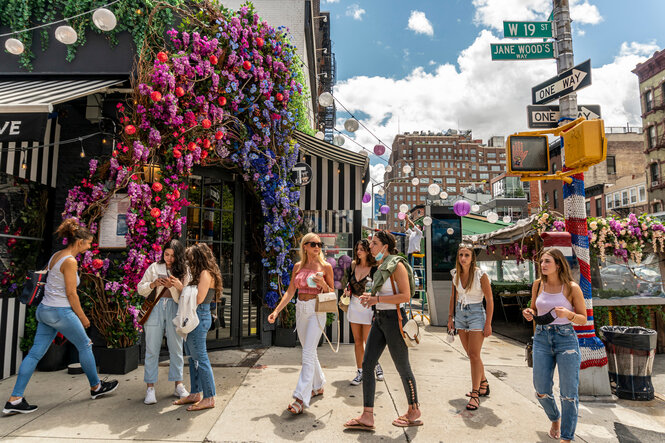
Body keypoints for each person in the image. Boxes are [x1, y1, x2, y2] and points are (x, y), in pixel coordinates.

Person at [3, 218, 118, 415]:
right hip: (60, 311)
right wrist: (82, 318)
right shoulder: (70, 261)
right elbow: (71, 294)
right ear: (79, 242)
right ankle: (96, 387)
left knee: (34, 354)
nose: (90, 246)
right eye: (89, 243)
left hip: (45, 311)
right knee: (85, 345)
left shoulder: (56, 255)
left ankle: (15, 399)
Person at [344, 230, 421, 431]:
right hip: (378, 318)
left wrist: (376, 299)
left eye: (374, 243)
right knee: (367, 364)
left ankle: (414, 411)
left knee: (402, 367)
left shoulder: (397, 265)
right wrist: (370, 297)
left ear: (385, 246)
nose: (371, 247)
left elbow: (405, 296)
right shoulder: (381, 266)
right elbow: (385, 292)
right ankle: (367, 415)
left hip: (394, 320)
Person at [522, 248, 587, 443]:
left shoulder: (571, 287)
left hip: (566, 339)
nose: (543, 265)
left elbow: (583, 319)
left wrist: (568, 315)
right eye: (541, 261)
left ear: (558, 264)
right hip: (541, 338)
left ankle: (566, 438)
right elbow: (534, 308)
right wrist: (528, 312)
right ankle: (554, 418)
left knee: (568, 394)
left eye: (547, 261)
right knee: (541, 389)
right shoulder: (537, 285)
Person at [268, 232, 334, 415]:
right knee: (308, 350)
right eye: (313, 244)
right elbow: (290, 292)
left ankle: (300, 398)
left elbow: (331, 293)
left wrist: (323, 284)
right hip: (301, 309)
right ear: (304, 246)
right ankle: (319, 385)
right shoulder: (298, 266)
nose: (317, 247)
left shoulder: (326, 266)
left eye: (319, 244)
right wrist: (276, 311)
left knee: (307, 353)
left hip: (317, 310)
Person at [136, 239, 189, 404]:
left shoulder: (184, 270)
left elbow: (188, 294)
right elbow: (140, 288)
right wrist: (153, 284)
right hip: (155, 308)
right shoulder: (154, 267)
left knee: (176, 347)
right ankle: (150, 388)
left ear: (178, 256)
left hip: (175, 308)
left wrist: (175, 285)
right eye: (166, 254)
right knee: (152, 348)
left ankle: (178, 384)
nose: (169, 258)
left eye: (173, 256)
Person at [173, 243, 222, 411]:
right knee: (193, 358)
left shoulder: (205, 273)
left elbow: (199, 299)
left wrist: (181, 288)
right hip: (196, 317)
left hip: (199, 316)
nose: (188, 261)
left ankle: (209, 397)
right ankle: (195, 393)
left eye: (191, 258)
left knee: (200, 358)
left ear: (198, 258)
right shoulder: (201, 273)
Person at [447, 243, 494, 411]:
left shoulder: (481, 275)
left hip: (476, 314)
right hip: (460, 313)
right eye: (461, 255)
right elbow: (453, 296)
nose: (463, 258)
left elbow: (489, 300)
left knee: (474, 355)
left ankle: (475, 395)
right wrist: (450, 318)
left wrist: (488, 323)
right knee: (470, 354)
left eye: (467, 255)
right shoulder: (455, 274)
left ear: (472, 257)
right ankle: (483, 383)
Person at [343, 239, 382, 386]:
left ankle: (375, 364)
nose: (359, 251)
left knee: (368, 342)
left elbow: (378, 288)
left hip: (367, 308)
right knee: (357, 341)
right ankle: (360, 371)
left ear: (368, 251)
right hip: (354, 305)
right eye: (357, 249)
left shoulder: (375, 268)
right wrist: (348, 290)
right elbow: (349, 283)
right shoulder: (353, 265)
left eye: (362, 249)